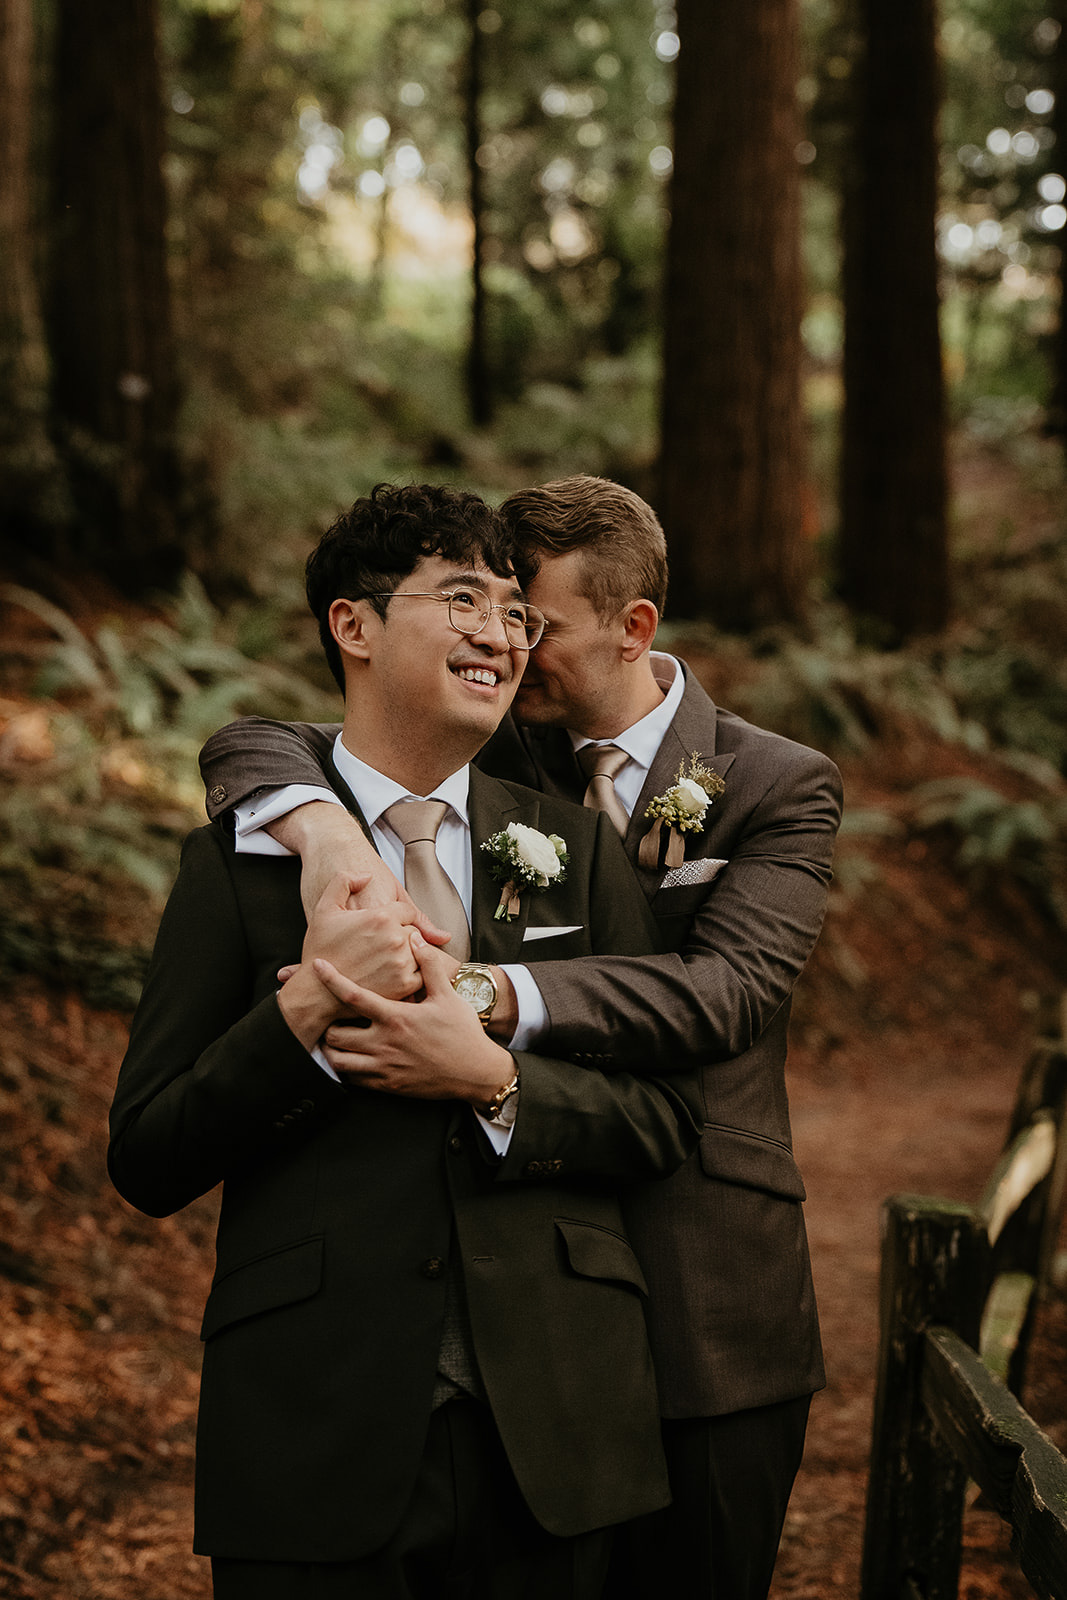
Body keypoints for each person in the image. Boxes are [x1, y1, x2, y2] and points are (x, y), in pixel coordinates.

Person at [199, 474, 844, 1600]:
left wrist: (485, 996)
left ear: (631, 627)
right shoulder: (489, 755)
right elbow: (259, 742)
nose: (500, 642)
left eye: (530, 624)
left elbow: (724, 991)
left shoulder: (768, 782)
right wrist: (320, 837)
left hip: (702, 1284)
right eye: (482, 612)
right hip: (521, 1302)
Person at [110, 482, 705, 1600]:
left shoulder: (576, 850)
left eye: (516, 615)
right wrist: (299, 1026)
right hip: (315, 1423)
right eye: (463, 597)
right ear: (355, 625)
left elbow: (665, 1117)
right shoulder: (241, 865)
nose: (499, 632)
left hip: (556, 1428)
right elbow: (147, 1153)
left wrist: (491, 1081)